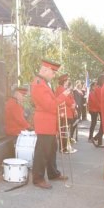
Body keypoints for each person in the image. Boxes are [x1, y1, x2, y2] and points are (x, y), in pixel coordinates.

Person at [31, 59, 70, 189]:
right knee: (42, 152)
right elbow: (50, 106)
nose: (54, 75)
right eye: (53, 72)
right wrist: (63, 95)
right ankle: (38, 178)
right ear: (46, 70)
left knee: (52, 149)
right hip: (44, 122)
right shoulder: (39, 84)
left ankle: (53, 173)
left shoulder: (43, 83)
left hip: (48, 122)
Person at [55, 73, 77, 152]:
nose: (68, 81)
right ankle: (63, 148)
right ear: (64, 81)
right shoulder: (61, 89)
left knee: (66, 131)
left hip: (68, 112)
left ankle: (65, 147)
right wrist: (72, 104)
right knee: (64, 131)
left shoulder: (63, 88)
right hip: (64, 113)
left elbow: (71, 98)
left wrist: (73, 104)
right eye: (67, 80)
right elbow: (66, 99)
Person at [92, 74, 104, 147]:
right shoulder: (98, 88)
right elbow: (100, 100)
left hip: (102, 108)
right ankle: (95, 138)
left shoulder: (100, 88)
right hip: (102, 109)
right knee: (103, 126)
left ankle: (99, 142)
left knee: (102, 125)